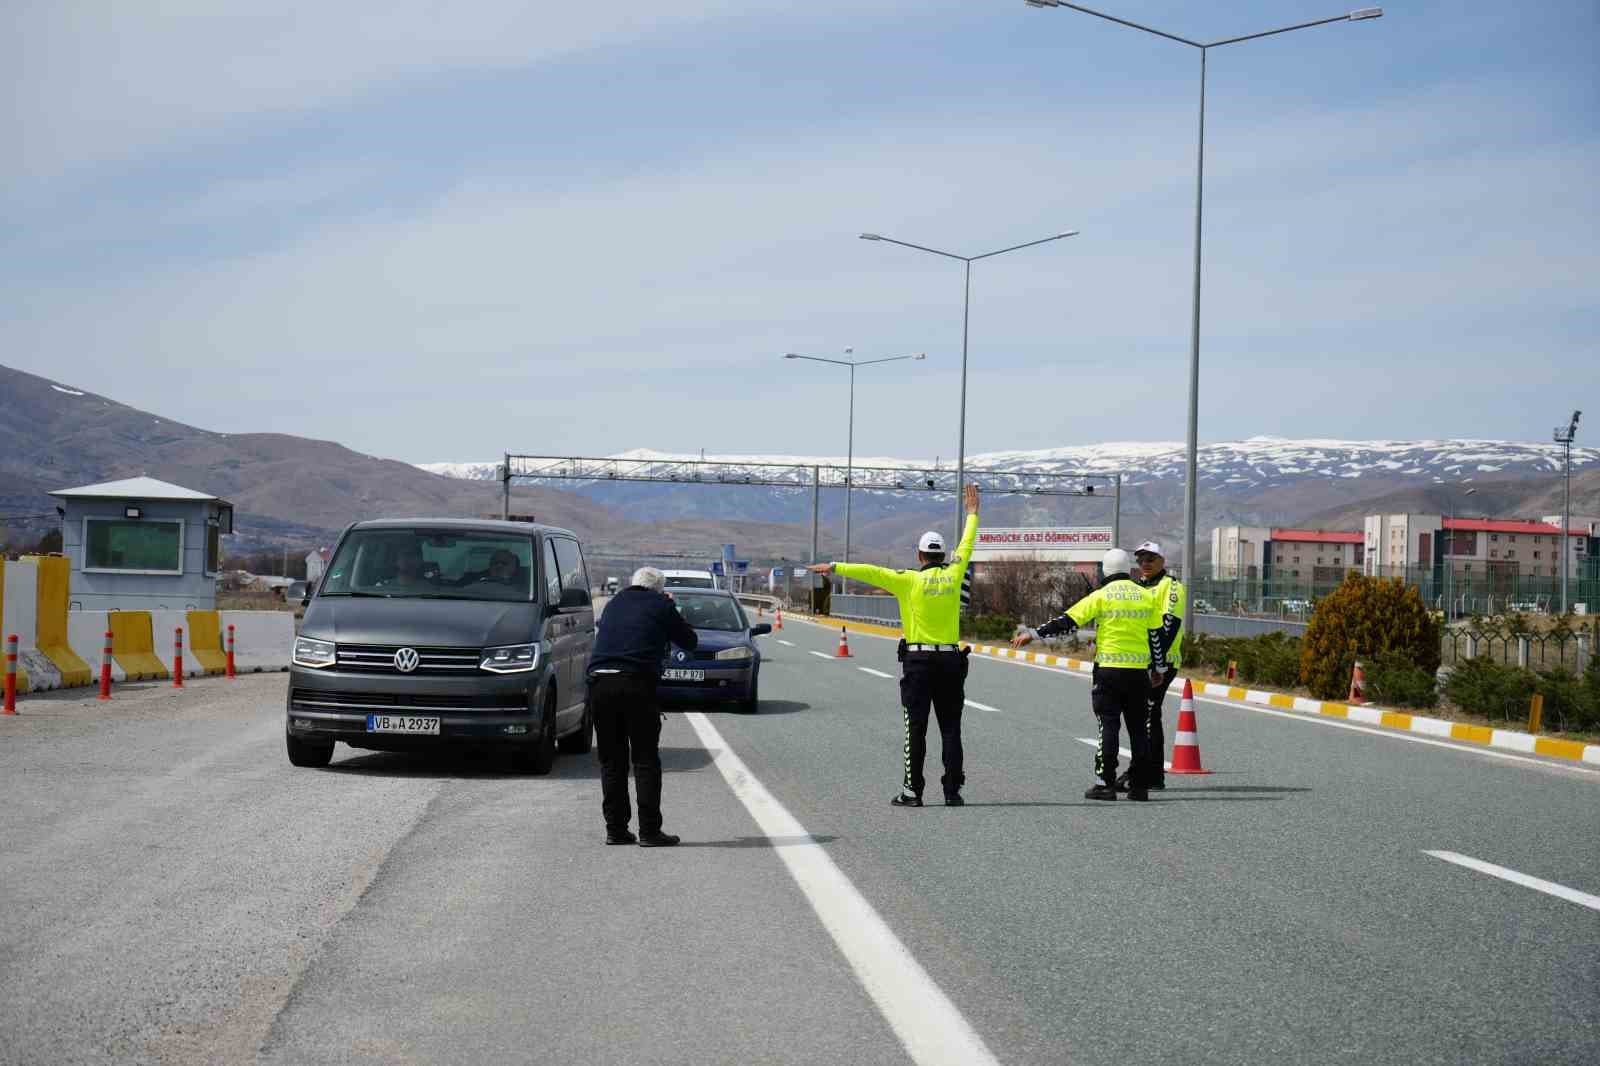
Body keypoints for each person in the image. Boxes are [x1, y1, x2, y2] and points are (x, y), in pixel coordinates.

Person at [808, 484, 981, 807]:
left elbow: (872, 572)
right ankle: (952, 791)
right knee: (950, 729)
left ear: (919, 556)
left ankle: (912, 792)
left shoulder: (907, 580)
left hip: (918, 664)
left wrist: (835, 567)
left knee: (916, 728)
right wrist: (972, 514)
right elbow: (967, 544)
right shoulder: (955, 573)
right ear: (943, 556)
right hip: (950, 662)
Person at [1011, 548, 1167, 802]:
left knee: (1109, 725)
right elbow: (1157, 638)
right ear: (1128, 569)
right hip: (1139, 674)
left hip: (1109, 672)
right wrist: (1158, 669)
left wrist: (1034, 634)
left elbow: (1067, 621)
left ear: (1106, 570)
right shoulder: (1146, 596)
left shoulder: (1101, 595)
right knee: (1139, 729)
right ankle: (1139, 787)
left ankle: (1105, 784)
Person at [585, 566, 699, 846]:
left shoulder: (614, 603)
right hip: (636, 684)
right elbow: (690, 641)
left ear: (633, 583)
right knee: (645, 759)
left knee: (612, 760)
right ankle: (649, 831)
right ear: (659, 589)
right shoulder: (661, 604)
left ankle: (616, 829)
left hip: (600, 683)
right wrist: (670, 608)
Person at [1124, 541, 1184, 793]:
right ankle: (1150, 773)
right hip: (1140, 661)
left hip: (1163, 662)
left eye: (1150, 559)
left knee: (1148, 714)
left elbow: (1169, 626)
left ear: (1162, 561)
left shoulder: (1172, 586)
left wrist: (1155, 664)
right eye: (1140, 559)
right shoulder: (1137, 586)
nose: (1145, 564)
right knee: (1145, 715)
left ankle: (1148, 774)